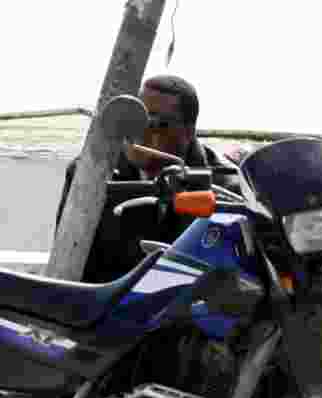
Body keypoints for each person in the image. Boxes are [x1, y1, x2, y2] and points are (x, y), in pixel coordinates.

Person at [55, 74, 239, 283]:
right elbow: (69, 260)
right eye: (134, 120)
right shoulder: (89, 175)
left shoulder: (226, 187)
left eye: (155, 123)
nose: (139, 132)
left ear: (188, 131)